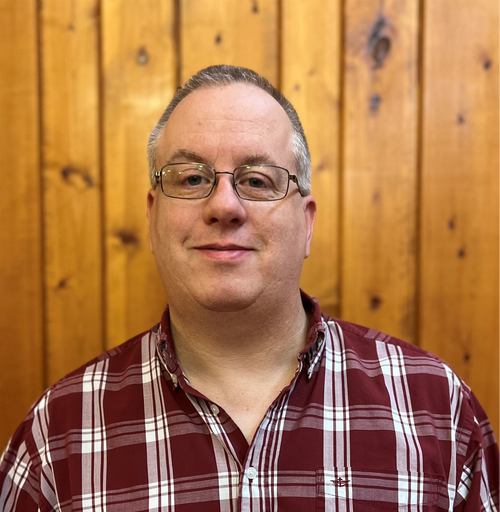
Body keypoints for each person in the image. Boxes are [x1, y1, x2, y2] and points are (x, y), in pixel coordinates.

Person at [0, 65, 499, 511]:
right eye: (191, 179)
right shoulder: (59, 435)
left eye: (257, 181)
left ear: (306, 224)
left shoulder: (436, 411)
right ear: (153, 218)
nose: (224, 206)